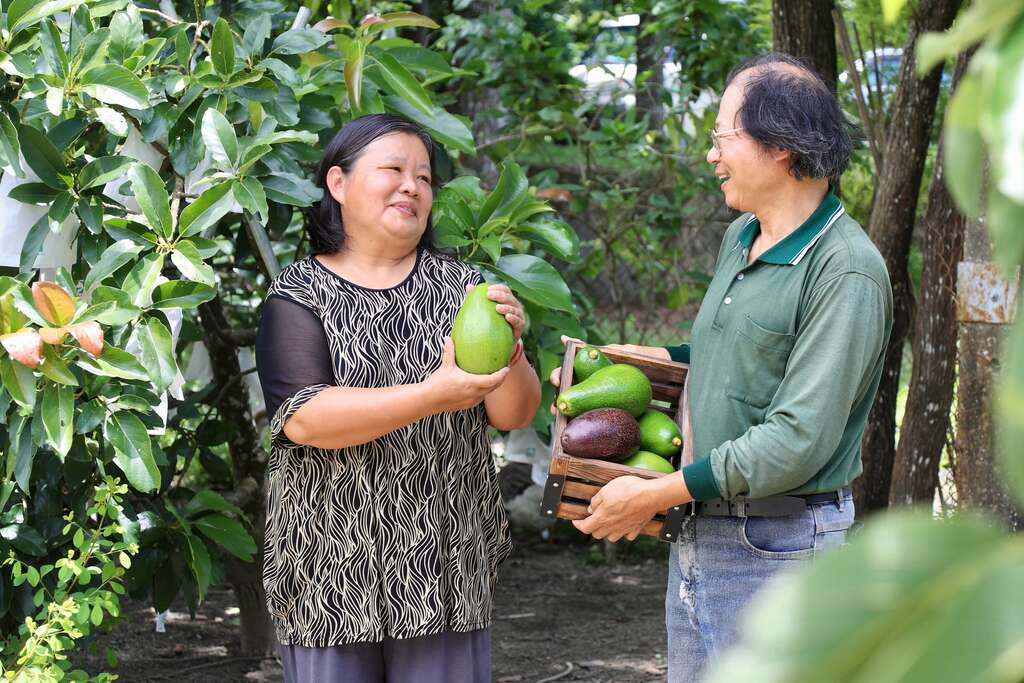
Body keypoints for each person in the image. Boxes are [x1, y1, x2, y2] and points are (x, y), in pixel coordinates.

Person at [552, 53, 893, 680]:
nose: (711, 155)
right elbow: (715, 359)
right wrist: (609, 372)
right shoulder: (742, 237)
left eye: (722, 137)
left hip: (782, 548)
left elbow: (797, 440)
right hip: (705, 530)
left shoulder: (844, 271)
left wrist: (656, 493)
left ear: (781, 147)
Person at [255, 113, 541, 683]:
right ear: (338, 184)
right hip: (327, 575)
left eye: (425, 177)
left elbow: (513, 413)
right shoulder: (298, 293)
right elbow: (308, 420)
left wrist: (512, 350)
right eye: (393, 169)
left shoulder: (463, 288)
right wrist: (434, 394)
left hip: (444, 567)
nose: (412, 186)